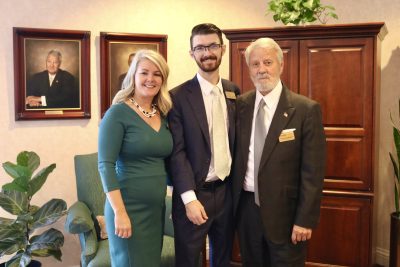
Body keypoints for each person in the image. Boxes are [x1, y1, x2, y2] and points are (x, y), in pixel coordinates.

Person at [232, 37, 326, 267]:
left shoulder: (305, 109)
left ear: (281, 65)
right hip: (246, 211)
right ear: (249, 69)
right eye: (255, 64)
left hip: (287, 215)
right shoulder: (239, 106)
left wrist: (305, 220)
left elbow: (313, 172)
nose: (262, 69)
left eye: (268, 62)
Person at [168, 23, 240, 267]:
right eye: (200, 47)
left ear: (223, 49)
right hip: (194, 193)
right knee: (188, 261)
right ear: (191, 53)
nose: (207, 52)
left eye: (212, 46)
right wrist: (189, 199)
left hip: (227, 191)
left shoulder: (233, 91)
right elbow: (177, 153)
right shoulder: (176, 97)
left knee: (223, 259)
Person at [98, 49, 173, 266]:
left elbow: (169, 164)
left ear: (163, 79)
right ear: (133, 76)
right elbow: (105, 165)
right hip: (127, 210)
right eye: (144, 73)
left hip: (155, 210)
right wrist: (119, 212)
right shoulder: (117, 113)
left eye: (157, 74)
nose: (151, 79)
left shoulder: (164, 113)